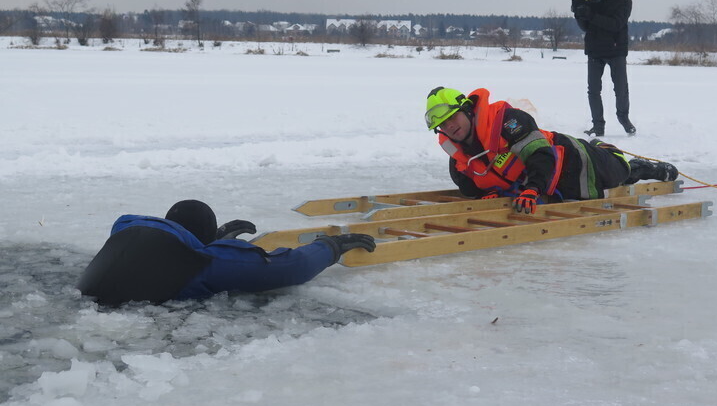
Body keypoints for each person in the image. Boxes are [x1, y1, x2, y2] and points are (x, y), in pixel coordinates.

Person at [424, 87, 678, 214]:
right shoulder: (460, 160)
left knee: (618, 173)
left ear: (467, 109)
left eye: (452, 117)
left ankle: (630, 162)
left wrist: (533, 188)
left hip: (574, 160)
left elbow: (541, 155)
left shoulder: (507, 121)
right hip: (551, 189)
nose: (450, 127)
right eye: (443, 125)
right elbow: (471, 189)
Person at [77, 199, 376, 306]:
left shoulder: (127, 229)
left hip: (87, 297)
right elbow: (289, 268)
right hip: (124, 316)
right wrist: (330, 247)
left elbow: (172, 248)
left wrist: (217, 239)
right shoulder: (205, 261)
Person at [571, 0, 635, 137]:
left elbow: (615, 24)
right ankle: (598, 126)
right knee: (593, 90)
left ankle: (624, 119)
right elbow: (585, 26)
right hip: (595, 50)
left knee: (621, 89)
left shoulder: (625, 1)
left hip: (616, 50)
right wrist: (579, 12)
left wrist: (591, 15)